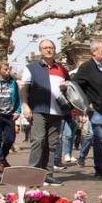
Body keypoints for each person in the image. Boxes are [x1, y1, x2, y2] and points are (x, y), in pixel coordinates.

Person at [20, 39, 69, 186]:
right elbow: (24, 88)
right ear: (40, 51)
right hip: (39, 110)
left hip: (57, 111)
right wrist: (25, 105)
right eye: (45, 48)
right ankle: (33, 175)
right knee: (38, 140)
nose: (48, 50)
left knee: (52, 144)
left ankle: (47, 174)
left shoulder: (62, 69)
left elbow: (70, 87)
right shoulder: (31, 68)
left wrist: (66, 87)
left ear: (55, 50)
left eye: (51, 47)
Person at [72, 41, 102, 177]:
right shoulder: (87, 67)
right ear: (94, 52)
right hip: (98, 111)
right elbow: (75, 86)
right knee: (100, 141)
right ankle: (100, 169)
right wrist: (86, 104)